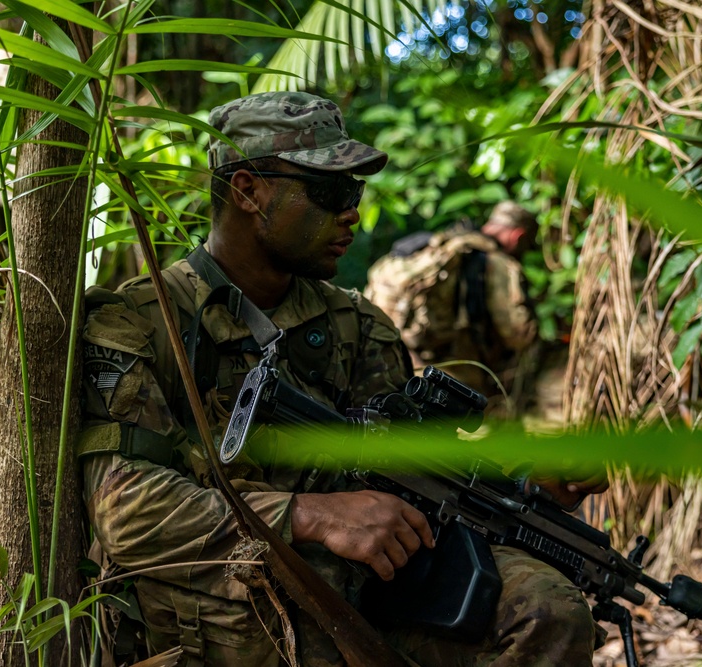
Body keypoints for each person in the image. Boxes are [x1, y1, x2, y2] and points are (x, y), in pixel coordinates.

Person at [78, 91, 602, 666]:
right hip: (222, 616)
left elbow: (407, 473)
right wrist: (310, 515)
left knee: (545, 609)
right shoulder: (142, 323)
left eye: (354, 192)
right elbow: (125, 511)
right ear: (248, 191)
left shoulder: (357, 326)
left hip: (358, 599)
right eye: (331, 192)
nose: (351, 212)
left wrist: (522, 488)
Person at [363, 202, 539, 409]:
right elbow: (518, 334)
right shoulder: (497, 263)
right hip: (446, 367)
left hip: (386, 357)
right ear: (517, 236)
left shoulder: (434, 246)